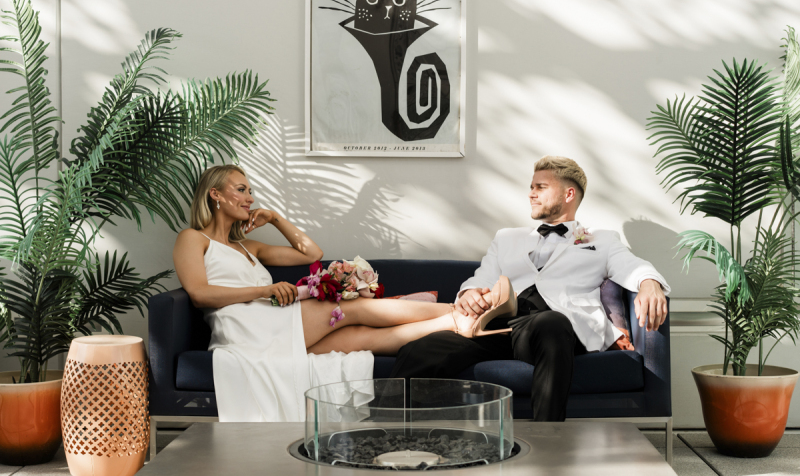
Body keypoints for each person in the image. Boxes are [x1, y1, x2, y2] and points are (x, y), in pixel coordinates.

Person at [172, 165, 484, 422]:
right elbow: (200, 294)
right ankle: (462, 308)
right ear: (215, 194)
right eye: (241, 190)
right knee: (355, 309)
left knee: (362, 338)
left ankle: (461, 324)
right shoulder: (193, 238)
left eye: (250, 191)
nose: (250, 198)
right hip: (245, 327)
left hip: (269, 322)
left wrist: (276, 219)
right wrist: (265, 290)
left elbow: (311, 253)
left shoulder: (248, 246)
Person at [390, 156, 671, 422]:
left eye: (540, 187)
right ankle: (391, 433)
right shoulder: (507, 238)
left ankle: (547, 444)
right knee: (423, 349)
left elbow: (633, 266)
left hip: (554, 328)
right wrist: (470, 293)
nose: (531, 193)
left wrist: (649, 284)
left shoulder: (602, 240)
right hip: (498, 324)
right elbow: (480, 278)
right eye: (531, 187)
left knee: (552, 323)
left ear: (568, 194)